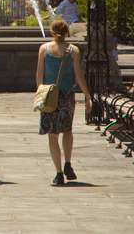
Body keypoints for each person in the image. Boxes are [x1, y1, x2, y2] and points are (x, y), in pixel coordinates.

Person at [36, 19, 92, 186]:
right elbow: (78, 76)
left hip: (49, 95)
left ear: (52, 33)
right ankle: (68, 163)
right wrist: (88, 96)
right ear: (67, 32)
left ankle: (58, 173)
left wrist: (41, 92)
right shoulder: (73, 50)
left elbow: (39, 75)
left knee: (52, 135)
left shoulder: (44, 49)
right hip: (67, 94)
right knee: (67, 129)